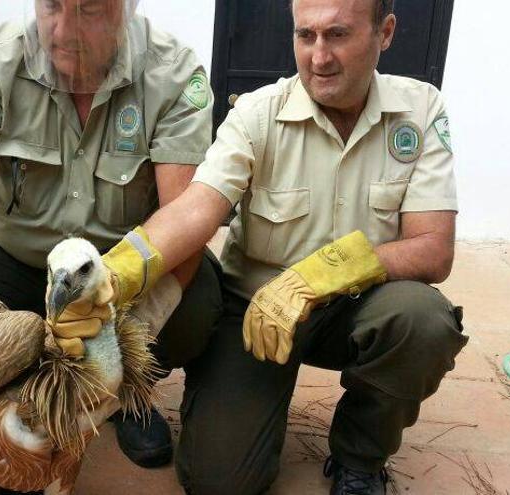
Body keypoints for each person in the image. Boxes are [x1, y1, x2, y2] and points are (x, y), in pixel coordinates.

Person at [74, 0, 469, 493]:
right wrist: (114, 274)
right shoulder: (258, 112)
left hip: (359, 306)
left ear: (384, 33)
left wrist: (320, 274)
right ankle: (230, 396)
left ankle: (360, 456)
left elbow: (433, 248)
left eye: (338, 35)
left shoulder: (420, 109)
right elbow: (197, 209)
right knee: (218, 481)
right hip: (254, 312)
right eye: (306, 36)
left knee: (422, 320)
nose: (318, 57)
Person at [0, 0, 223, 475]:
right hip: (12, 253)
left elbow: (183, 215)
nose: (62, 30)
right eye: (51, 6)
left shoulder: (174, 72)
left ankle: (126, 397)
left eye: (89, 10)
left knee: (194, 314)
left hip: (117, 274)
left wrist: (126, 338)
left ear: (125, 7)